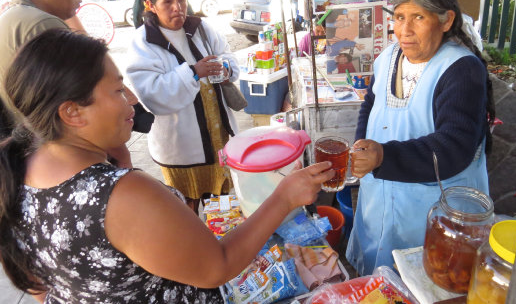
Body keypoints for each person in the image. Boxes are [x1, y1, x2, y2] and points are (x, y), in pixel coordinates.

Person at [0, 28, 334, 303]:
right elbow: (218, 266)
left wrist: (114, 159)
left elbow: (42, 288)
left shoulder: (18, 170)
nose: (131, 99)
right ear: (72, 113)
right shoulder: (122, 194)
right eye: (117, 90)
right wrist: (285, 197)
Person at [346, 0, 495, 276]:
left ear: (446, 20)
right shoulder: (388, 58)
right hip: (381, 195)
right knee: (379, 274)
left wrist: (384, 156)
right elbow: (371, 103)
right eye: (399, 17)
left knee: (425, 276)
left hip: (433, 209)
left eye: (418, 17)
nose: (405, 30)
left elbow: (454, 147)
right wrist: (362, 144)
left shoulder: (461, 70)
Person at [0, 0, 132, 167]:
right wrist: (122, 159)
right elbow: (88, 105)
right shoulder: (44, 25)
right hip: (64, 162)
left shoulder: (10, 18)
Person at [126, 0, 237, 214]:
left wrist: (225, 68)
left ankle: (217, 244)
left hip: (217, 136)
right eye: (168, 1)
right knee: (185, 207)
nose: (178, 8)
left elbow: (226, 54)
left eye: (182, 0)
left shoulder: (201, 27)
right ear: (150, 5)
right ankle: (192, 247)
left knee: (220, 205)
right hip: (180, 147)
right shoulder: (142, 43)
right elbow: (152, 94)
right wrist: (193, 72)